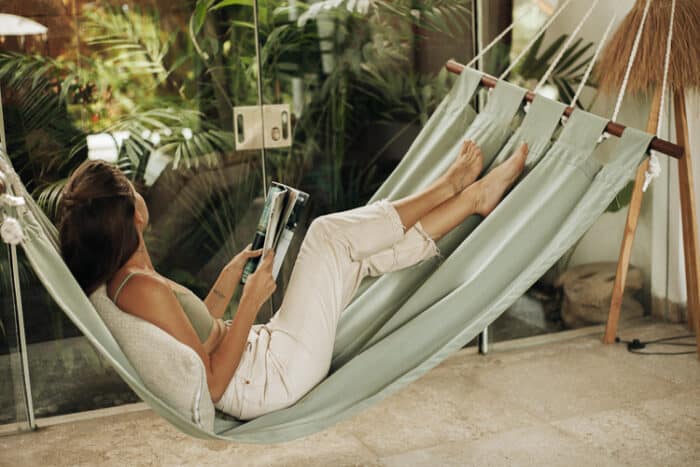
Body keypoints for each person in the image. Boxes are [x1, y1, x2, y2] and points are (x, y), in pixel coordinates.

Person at [59, 140, 528, 420]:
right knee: (328, 236)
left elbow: (195, 338)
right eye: (129, 184)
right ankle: (448, 188)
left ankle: (474, 200)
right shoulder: (139, 287)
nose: (138, 188)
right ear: (132, 212)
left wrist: (227, 283)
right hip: (269, 376)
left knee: (353, 255)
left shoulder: (129, 278)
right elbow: (214, 383)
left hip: (263, 356)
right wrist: (251, 301)